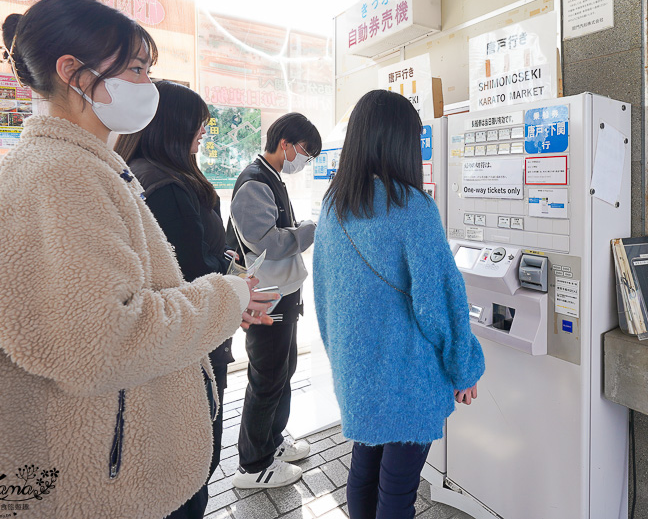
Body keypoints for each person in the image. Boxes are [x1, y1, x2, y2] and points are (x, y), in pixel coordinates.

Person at [0, 0, 277, 519]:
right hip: (102, 491)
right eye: (137, 68)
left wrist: (222, 304)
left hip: (115, 476)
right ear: (73, 74)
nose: (149, 85)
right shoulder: (57, 175)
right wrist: (225, 294)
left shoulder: (83, 166)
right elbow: (102, 345)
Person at [313, 90, 485, 519]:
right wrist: (464, 368)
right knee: (397, 490)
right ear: (403, 143)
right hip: (409, 380)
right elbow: (442, 301)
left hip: (359, 374)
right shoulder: (411, 208)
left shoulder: (335, 205)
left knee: (364, 473)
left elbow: (324, 294)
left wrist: (343, 361)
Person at [115, 81, 240, 519]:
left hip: (177, 347)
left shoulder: (137, 171)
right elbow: (191, 275)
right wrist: (234, 283)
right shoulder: (167, 186)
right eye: (199, 127)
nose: (202, 135)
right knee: (191, 472)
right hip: (191, 349)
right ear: (173, 126)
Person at [226, 113, 322, 488]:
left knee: (284, 369)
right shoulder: (254, 182)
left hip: (283, 293)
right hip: (266, 298)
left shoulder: (271, 178)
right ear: (285, 143)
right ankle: (253, 464)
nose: (306, 160)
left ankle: (273, 442)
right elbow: (267, 240)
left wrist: (299, 230)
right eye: (305, 152)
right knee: (267, 376)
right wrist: (310, 230)